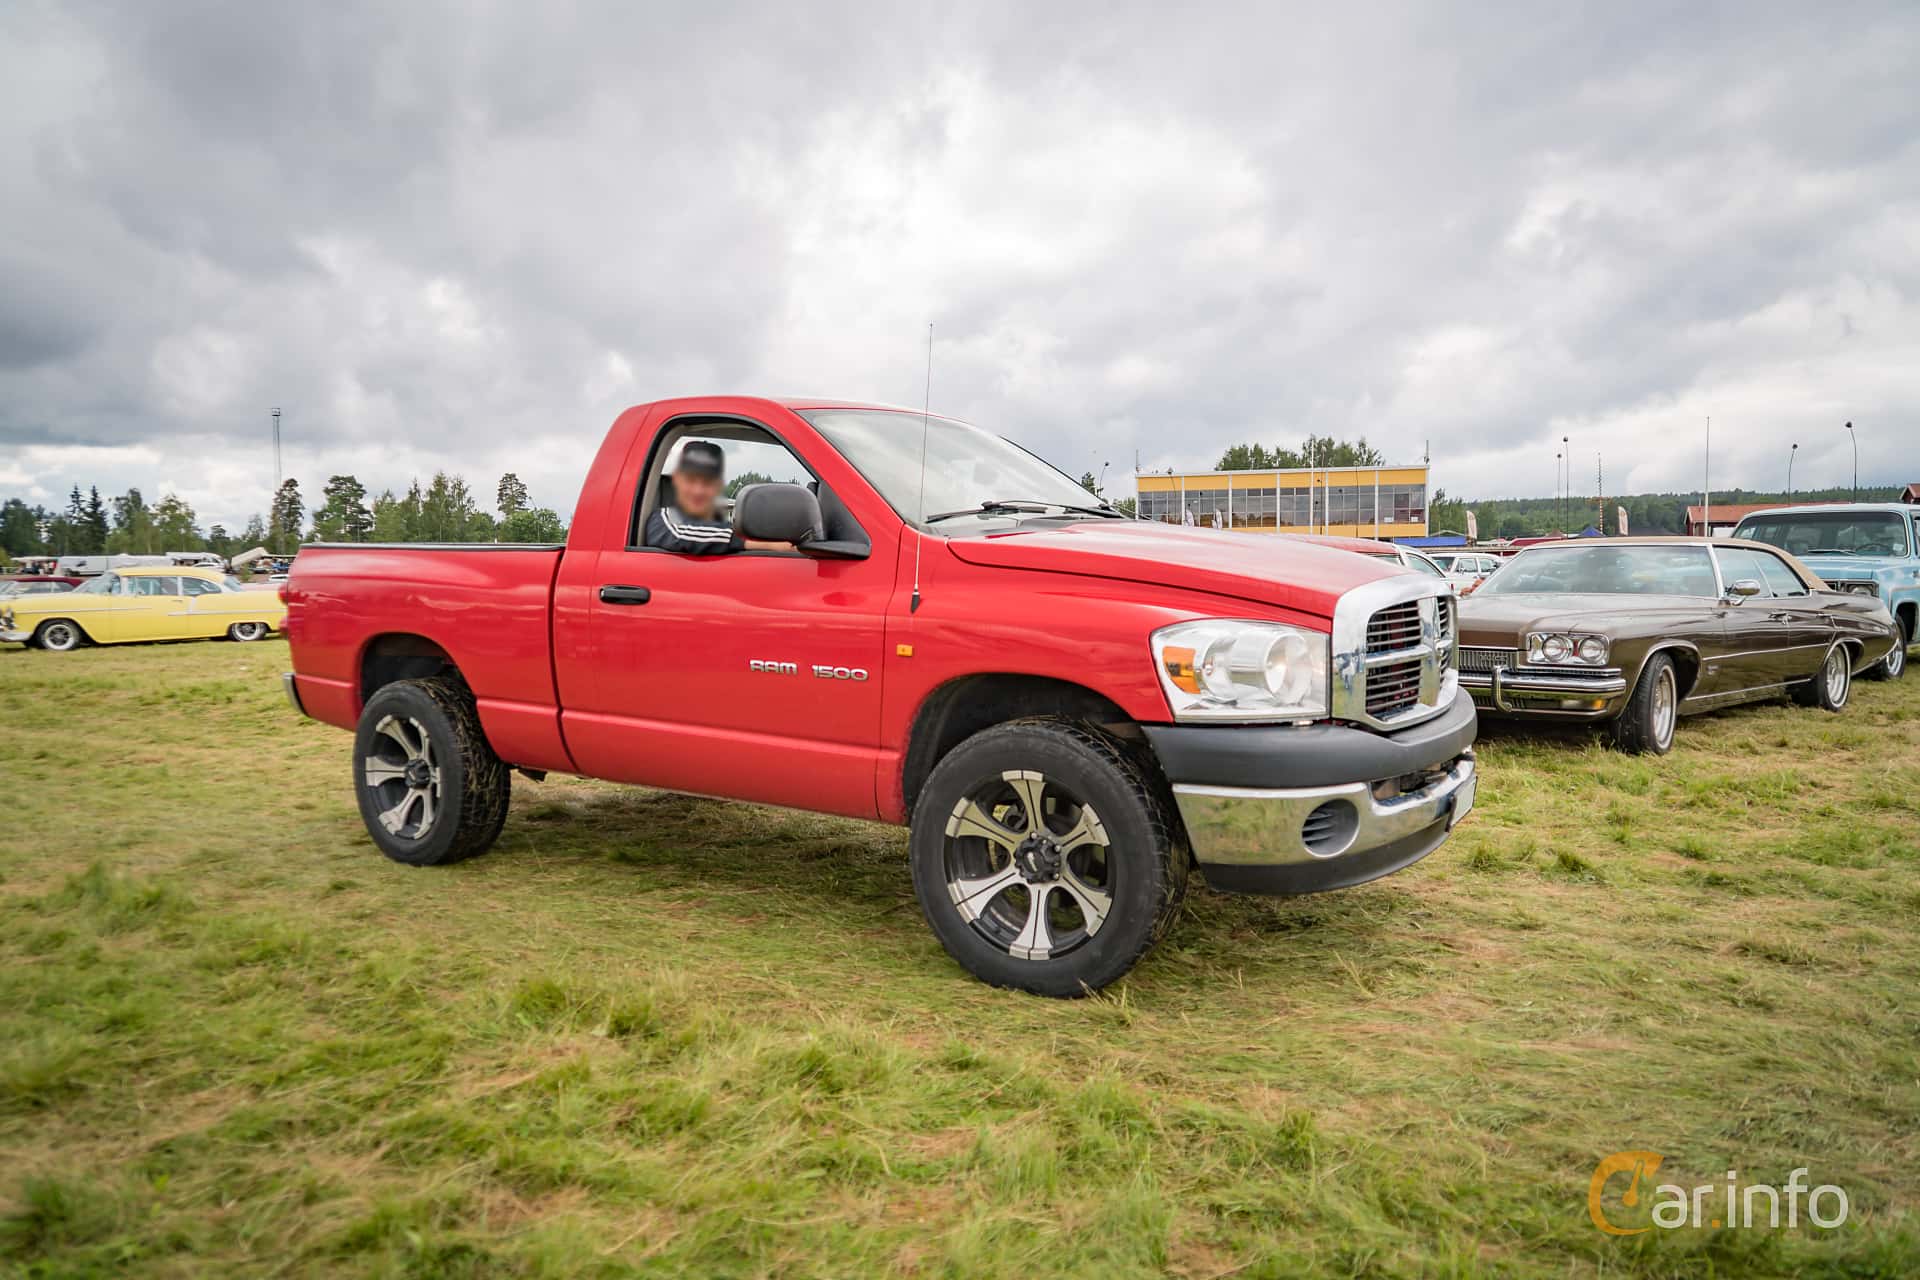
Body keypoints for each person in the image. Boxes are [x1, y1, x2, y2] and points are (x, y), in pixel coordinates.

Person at [645, 440, 792, 554]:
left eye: (707, 482)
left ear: (718, 486)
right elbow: (679, 534)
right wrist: (771, 545)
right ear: (677, 479)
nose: (698, 491)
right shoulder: (663, 520)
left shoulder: (723, 523)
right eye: (690, 480)